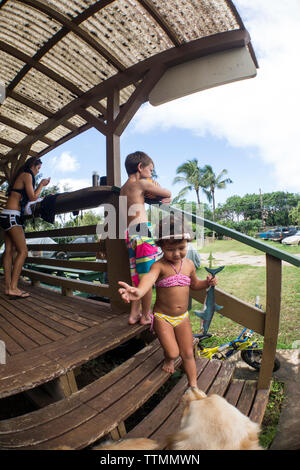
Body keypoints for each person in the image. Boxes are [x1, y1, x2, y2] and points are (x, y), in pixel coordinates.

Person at [118, 215, 218, 389]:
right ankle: (168, 358)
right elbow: (148, 279)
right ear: (161, 246)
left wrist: (207, 283)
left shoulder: (189, 265)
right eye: (171, 249)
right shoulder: (159, 266)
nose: (177, 253)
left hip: (183, 318)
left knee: (187, 353)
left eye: (181, 247)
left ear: (187, 242)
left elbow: (195, 285)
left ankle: (194, 386)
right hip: (163, 317)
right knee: (173, 352)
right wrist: (139, 292)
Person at [120, 151, 171, 325]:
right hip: (142, 232)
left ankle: (134, 314)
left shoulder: (123, 189)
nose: (151, 175)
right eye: (150, 171)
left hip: (129, 233)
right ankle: (146, 316)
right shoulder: (141, 184)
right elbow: (167, 192)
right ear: (140, 168)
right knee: (147, 277)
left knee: (136, 276)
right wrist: (154, 186)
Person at [0, 157, 50, 299]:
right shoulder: (27, 175)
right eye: (38, 168)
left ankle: (9, 287)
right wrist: (41, 184)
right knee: (23, 251)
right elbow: (33, 197)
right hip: (13, 217)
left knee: (9, 251)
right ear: (33, 166)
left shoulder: (21, 175)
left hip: (6, 215)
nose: (37, 171)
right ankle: (14, 288)